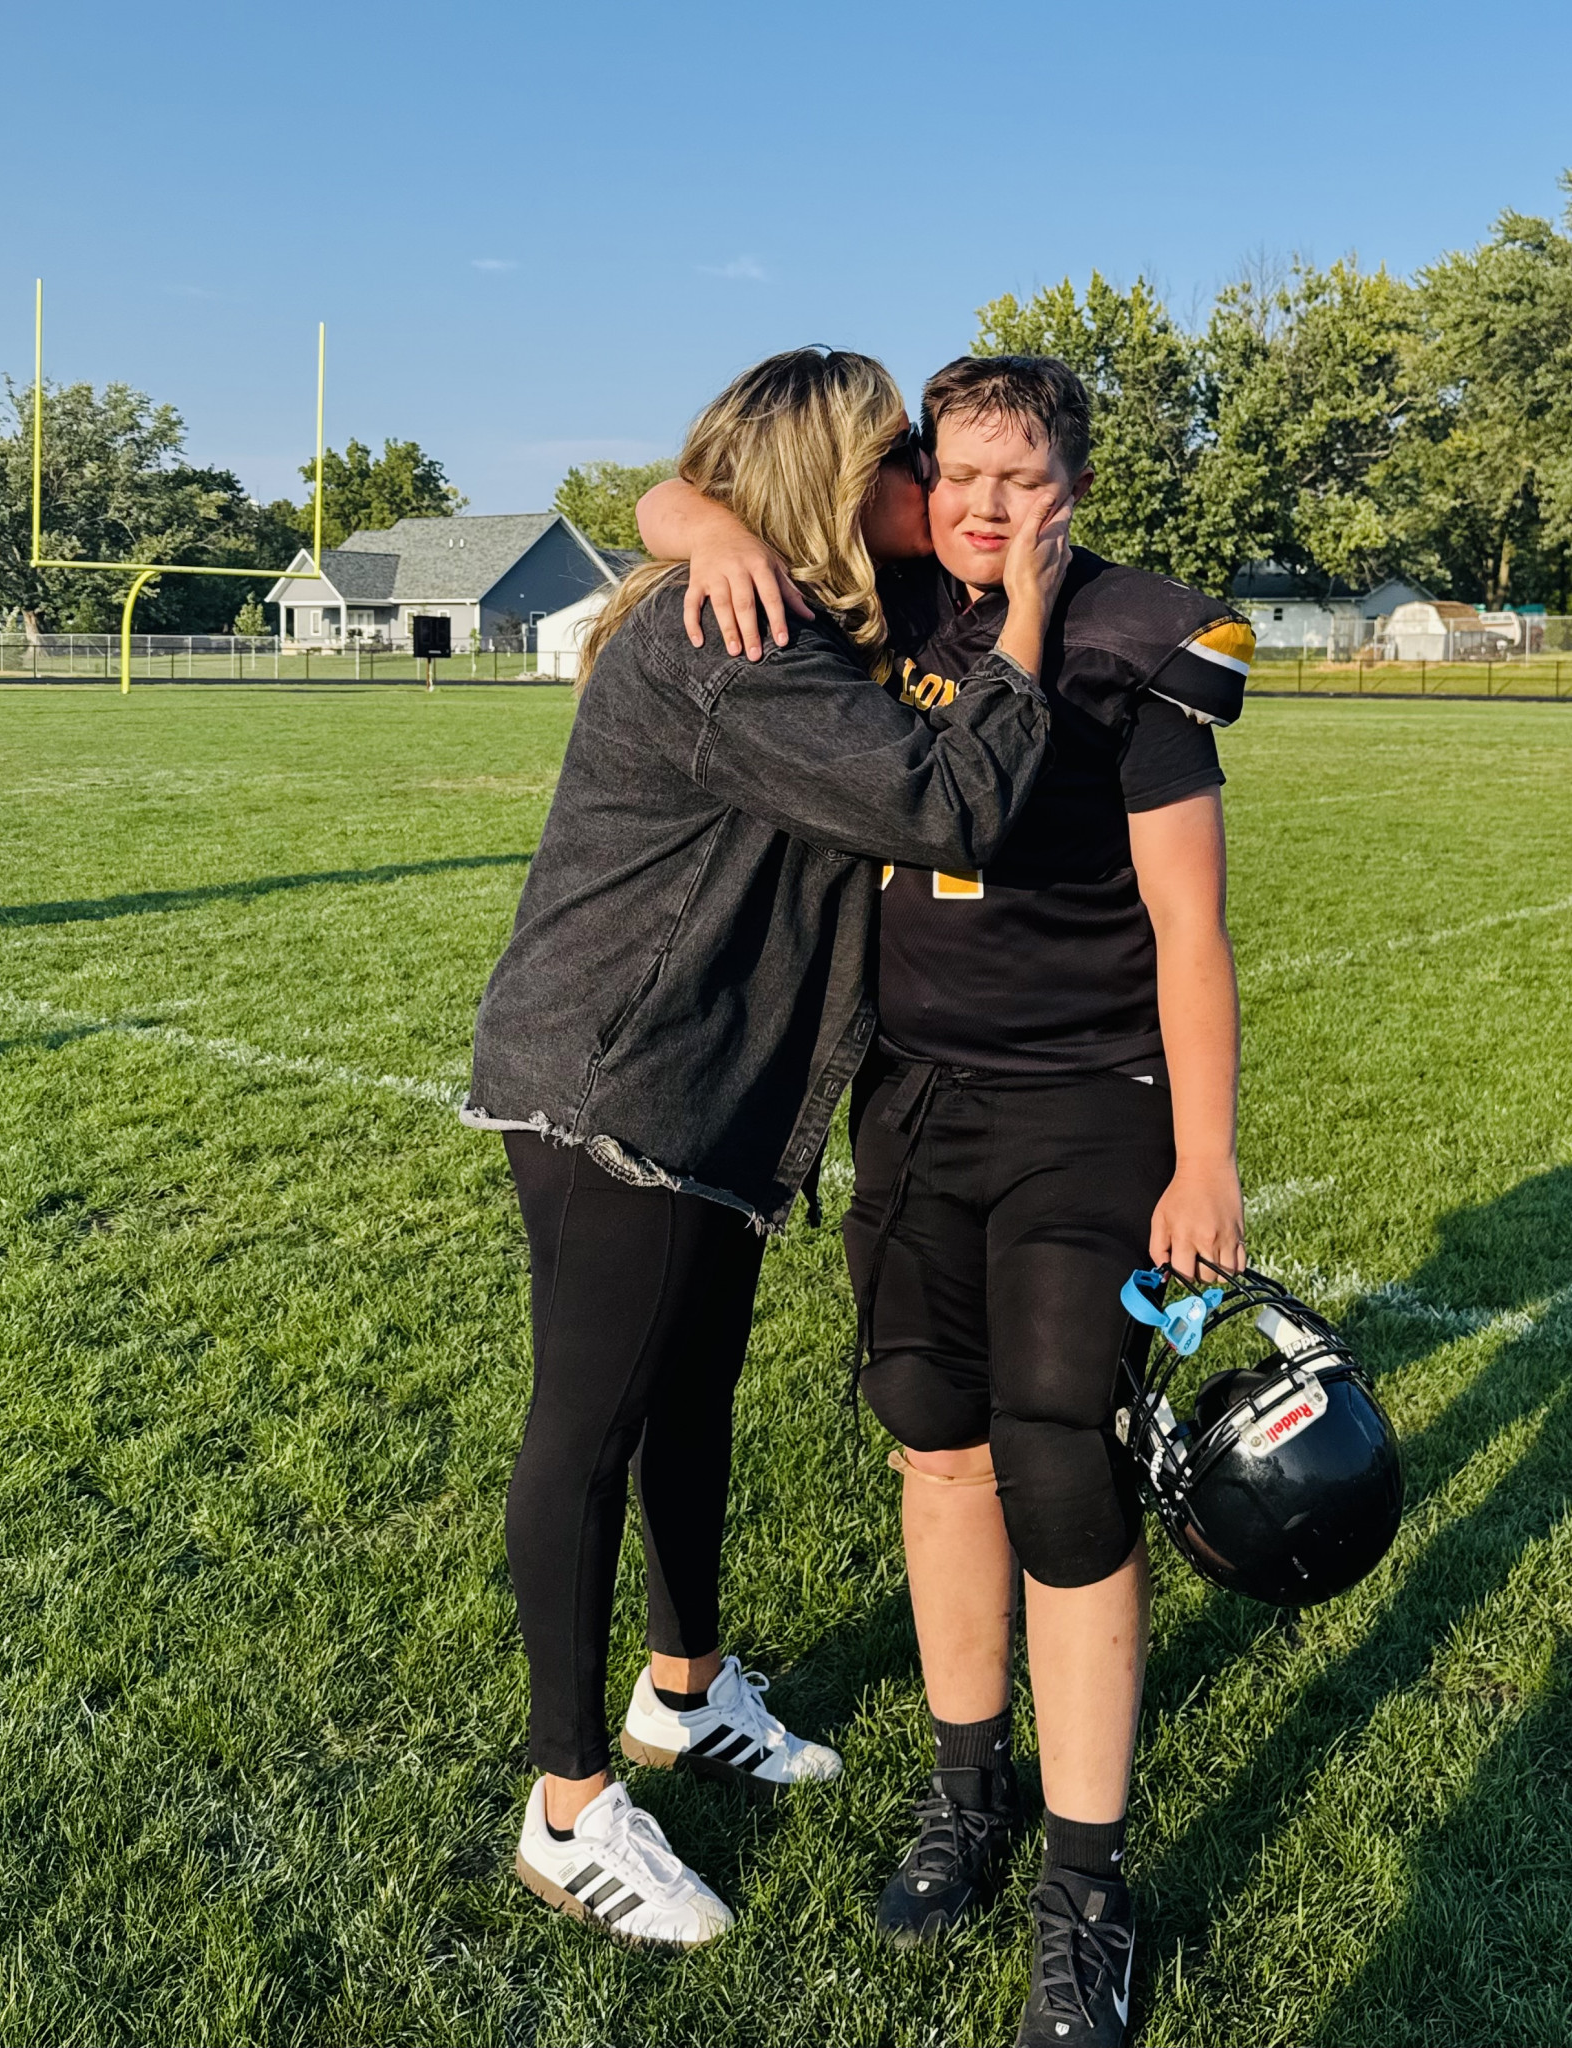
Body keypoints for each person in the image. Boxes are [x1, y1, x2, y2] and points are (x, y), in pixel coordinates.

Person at [638, 352, 1252, 2037]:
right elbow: (678, 497)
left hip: (1086, 1098)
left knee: (1059, 1456)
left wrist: (1205, 1156)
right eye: (960, 473)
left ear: (1073, 486)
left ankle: (1084, 1880)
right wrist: (703, 524)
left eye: (1020, 477)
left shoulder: (1133, 643)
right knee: (932, 1434)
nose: (984, 506)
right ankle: (967, 1789)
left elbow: (1188, 926)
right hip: (911, 1097)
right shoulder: (884, 597)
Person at [462, 346, 1075, 1948]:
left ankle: (683, 1689)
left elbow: (681, 500)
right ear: (833, 482)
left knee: (689, 1399)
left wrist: (691, 513)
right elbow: (948, 807)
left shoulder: (785, 602)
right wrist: (1026, 616)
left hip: (707, 1083)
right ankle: (567, 1806)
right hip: (623, 1078)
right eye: (902, 458)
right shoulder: (728, 634)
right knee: (588, 1426)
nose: (930, 484)